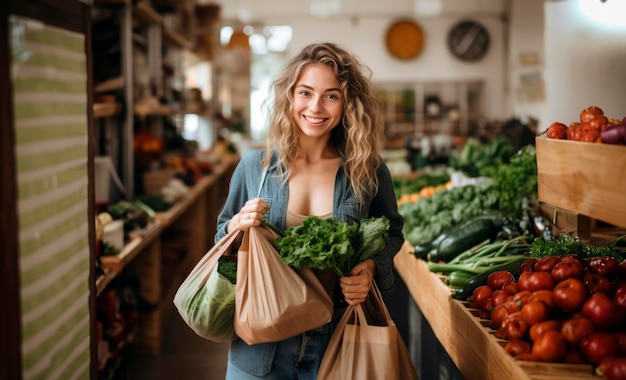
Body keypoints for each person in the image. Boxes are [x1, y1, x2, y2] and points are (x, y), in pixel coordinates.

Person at [215, 42, 404, 379]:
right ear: (290, 97)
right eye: (305, 92)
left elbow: (391, 231)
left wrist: (371, 268)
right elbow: (222, 247)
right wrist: (235, 230)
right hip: (259, 345)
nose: (315, 106)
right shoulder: (254, 167)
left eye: (331, 95)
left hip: (336, 342)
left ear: (348, 103)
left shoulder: (368, 170)